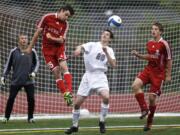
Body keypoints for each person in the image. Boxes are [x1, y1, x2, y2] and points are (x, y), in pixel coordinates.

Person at [65, 29, 116, 134]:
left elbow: (113, 65)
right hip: (88, 76)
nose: (104, 36)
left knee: (106, 97)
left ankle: (102, 122)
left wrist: (106, 52)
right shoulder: (92, 45)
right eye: (103, 34)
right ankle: (75, 126)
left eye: (107, 35)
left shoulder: (110, 50)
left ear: (110, 39)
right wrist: (78, 50)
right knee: (77, 104)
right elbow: (80, 47)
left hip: (100, 76)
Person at [25, 4, 75, 106]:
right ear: (61, 10)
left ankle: (69, 92)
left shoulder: (66, 24)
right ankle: (66, 95)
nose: (66, 18)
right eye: (66, 15)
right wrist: (30, 47)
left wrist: (52, 38)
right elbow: (37, 33)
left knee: (63, 66)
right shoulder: (47, 17)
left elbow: (62, 40)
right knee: (56, 72)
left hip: (59, 48)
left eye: (68, 16)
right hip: (47, 51)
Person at [131, 22, 172, 131]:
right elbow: (150, 56)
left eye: (156, 29)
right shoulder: (149, 43)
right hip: (148, 70)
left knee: (151, 98)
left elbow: (169, 60)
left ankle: (149, 121)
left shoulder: (164, 44)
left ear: (160, 32)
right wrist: (139, 55)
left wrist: (168, 75)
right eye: (152, 29)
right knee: (135, 85)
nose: (153, 31)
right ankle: (144, 109)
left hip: (158, 74)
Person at [1, 34, 39, 123]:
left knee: (31, 99)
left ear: (28, 40)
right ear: (19, 40)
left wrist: (34, 72)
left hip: (29, 81)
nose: (24, 40)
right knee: (11, 98)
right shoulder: (13, 51)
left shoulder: (32, 51)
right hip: (16, 80)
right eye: (22, 38)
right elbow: (8, 65)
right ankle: (6, 117)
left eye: (25, 38)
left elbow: (37, 63)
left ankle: (30, 117)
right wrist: (3, 76)